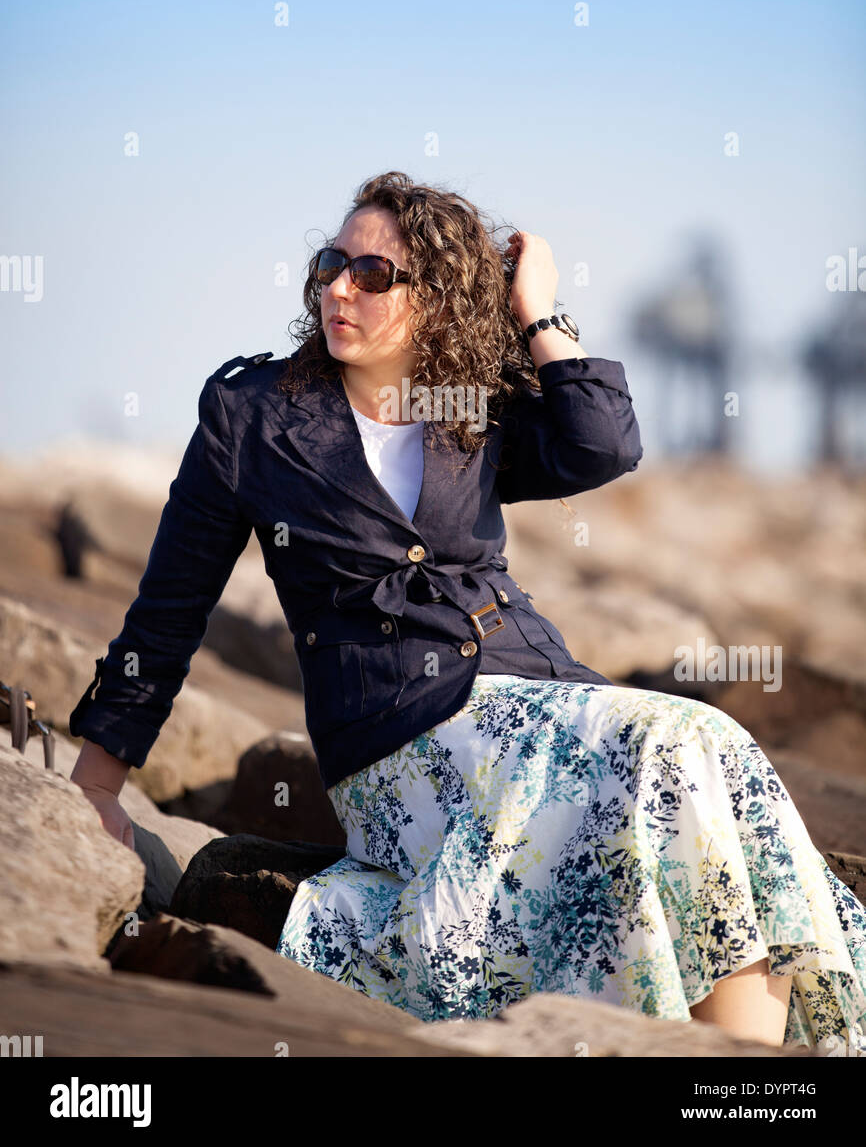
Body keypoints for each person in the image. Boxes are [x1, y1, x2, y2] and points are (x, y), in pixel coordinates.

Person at [70, 172, 866, 1054]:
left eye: (374, 275)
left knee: (712, 747)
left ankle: (741, 1082)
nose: (339, 287)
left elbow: (603, 443)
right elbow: (168, 612)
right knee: (675, 744)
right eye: (332, 264)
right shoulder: (253, 417)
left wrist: (538, 308)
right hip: (397, 731)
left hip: (538, 691)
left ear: (438, 298)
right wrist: (97, 787)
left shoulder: (469, 407)